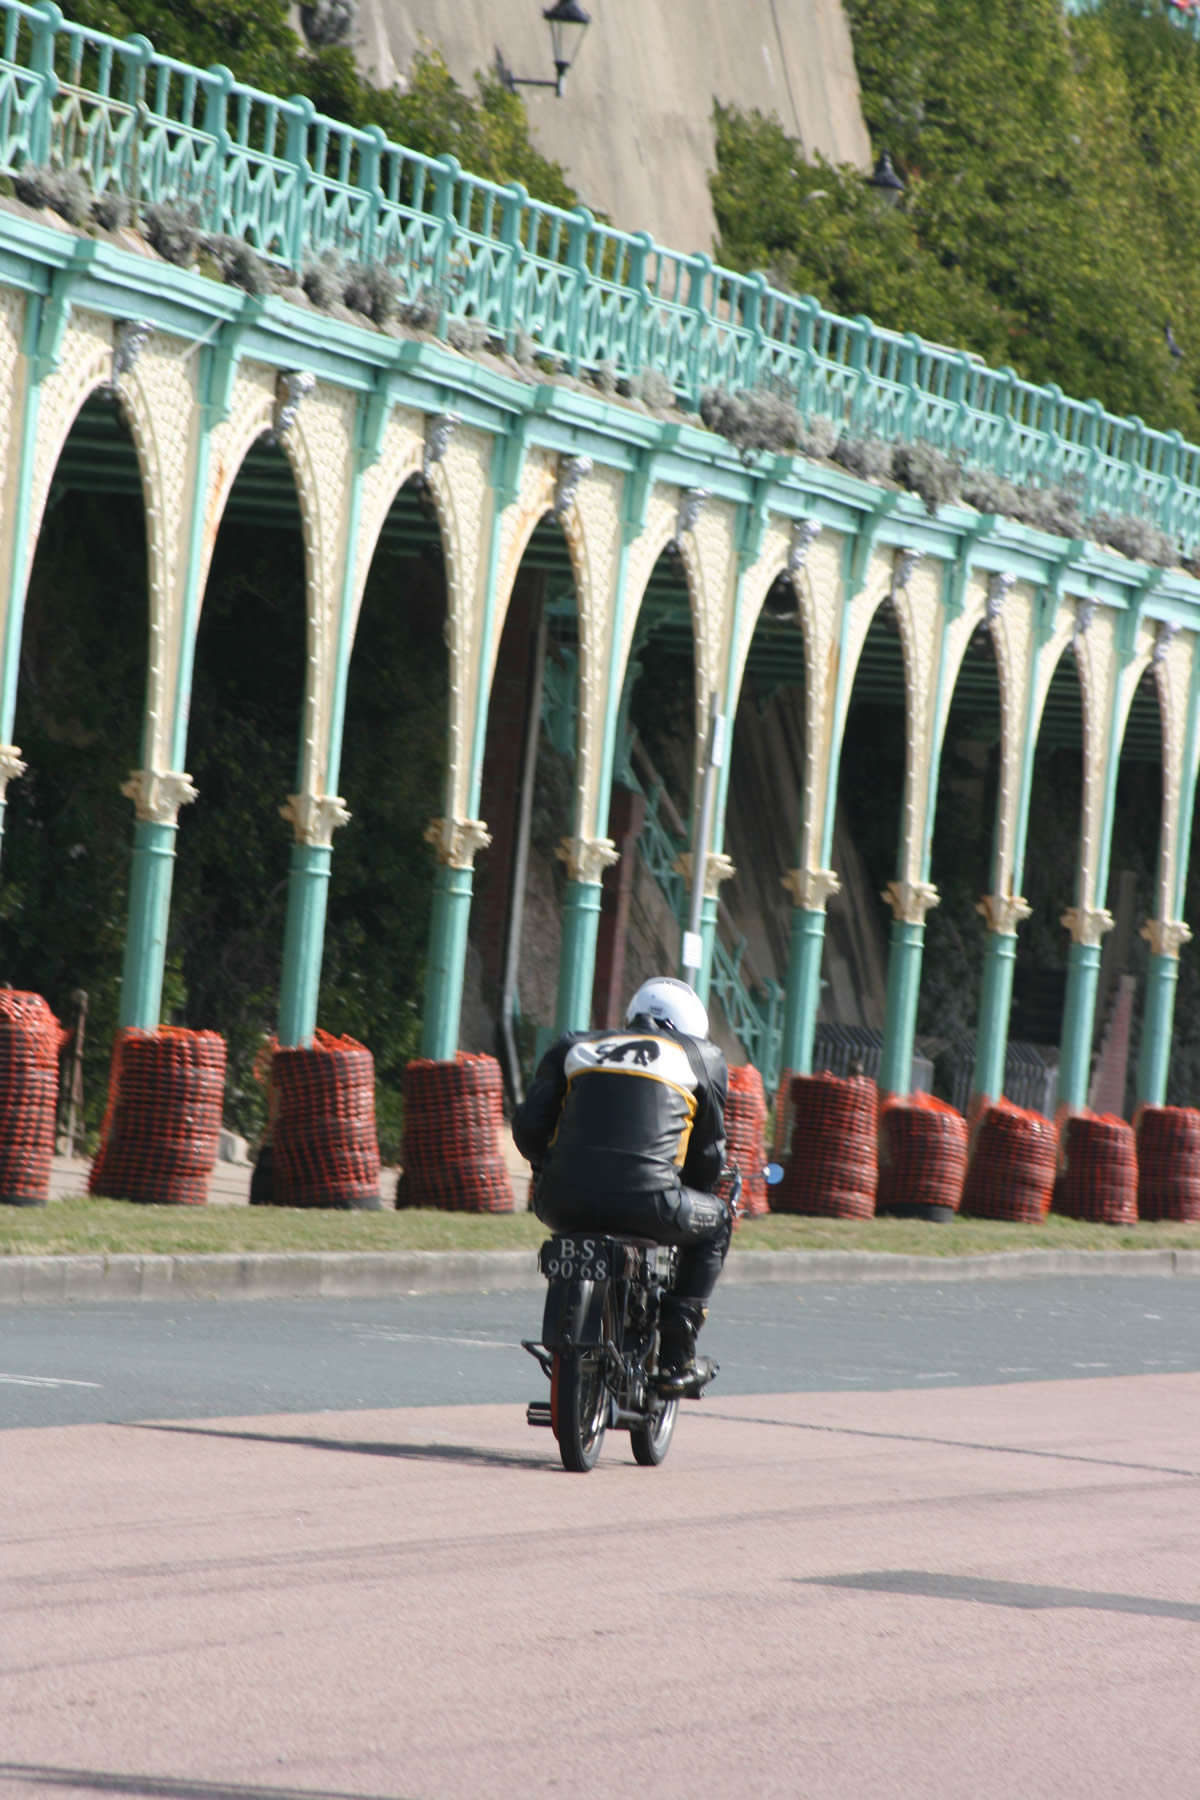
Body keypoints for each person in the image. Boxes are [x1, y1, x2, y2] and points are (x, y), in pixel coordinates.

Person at [512, 975, 731, 1395]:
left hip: (560, 1200)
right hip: (653, 1203)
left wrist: (546, 1171)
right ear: (691, 1027)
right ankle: (677, 1354)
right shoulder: (702, 1056)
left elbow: (528, 1127)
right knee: (719, 1221)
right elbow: (707, 1157)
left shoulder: (573, 1044)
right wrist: (692, 1189)